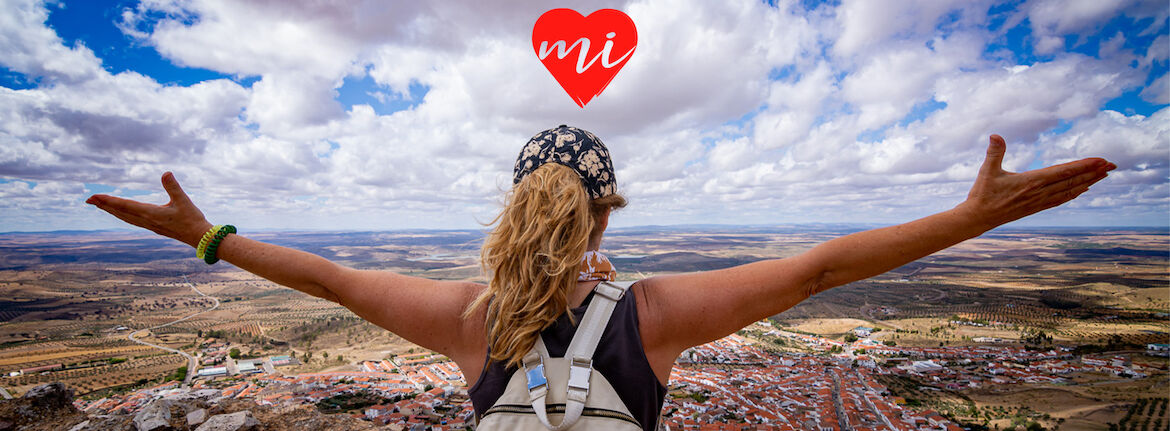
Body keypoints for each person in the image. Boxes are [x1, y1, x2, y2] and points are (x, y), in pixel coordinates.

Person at [87, 125, 1115, 429]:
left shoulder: (465, 319)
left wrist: (209, 235)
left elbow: (332, 280)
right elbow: (822, 266)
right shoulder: (652, 313)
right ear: (605, 212)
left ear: (510, 206)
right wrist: (968, 219)